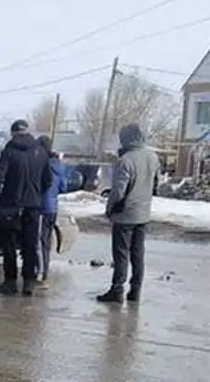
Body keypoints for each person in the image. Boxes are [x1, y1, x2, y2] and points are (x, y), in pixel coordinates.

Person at [96, 123, 160, 304]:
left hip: (125, 214)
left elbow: (118, 191)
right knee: (138, 253)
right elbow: (157, 183)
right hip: (143, 213)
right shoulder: (153, 157)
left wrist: (109, 209)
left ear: (126, 139)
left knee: (121, 253)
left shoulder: (125, 160)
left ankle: (117, 289)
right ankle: (135, 290)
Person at [0, 119, 52, 296]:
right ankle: (28, 283)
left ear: (13, 133)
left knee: (9, 246)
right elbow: (48, 180)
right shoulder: (40, 152)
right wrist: (36, 195)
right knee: (30, 246)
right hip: (33, 207)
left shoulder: (9, 152)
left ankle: (10, 283)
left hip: (10, 206)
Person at [36, 135, 67, 289]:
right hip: (53, 207)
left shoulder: (42, 164)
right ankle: (45, 272)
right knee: (46, 242)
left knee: (38, 242)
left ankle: (41, 275)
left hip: (41, 206)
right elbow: (63, 187)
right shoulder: (58, 165)